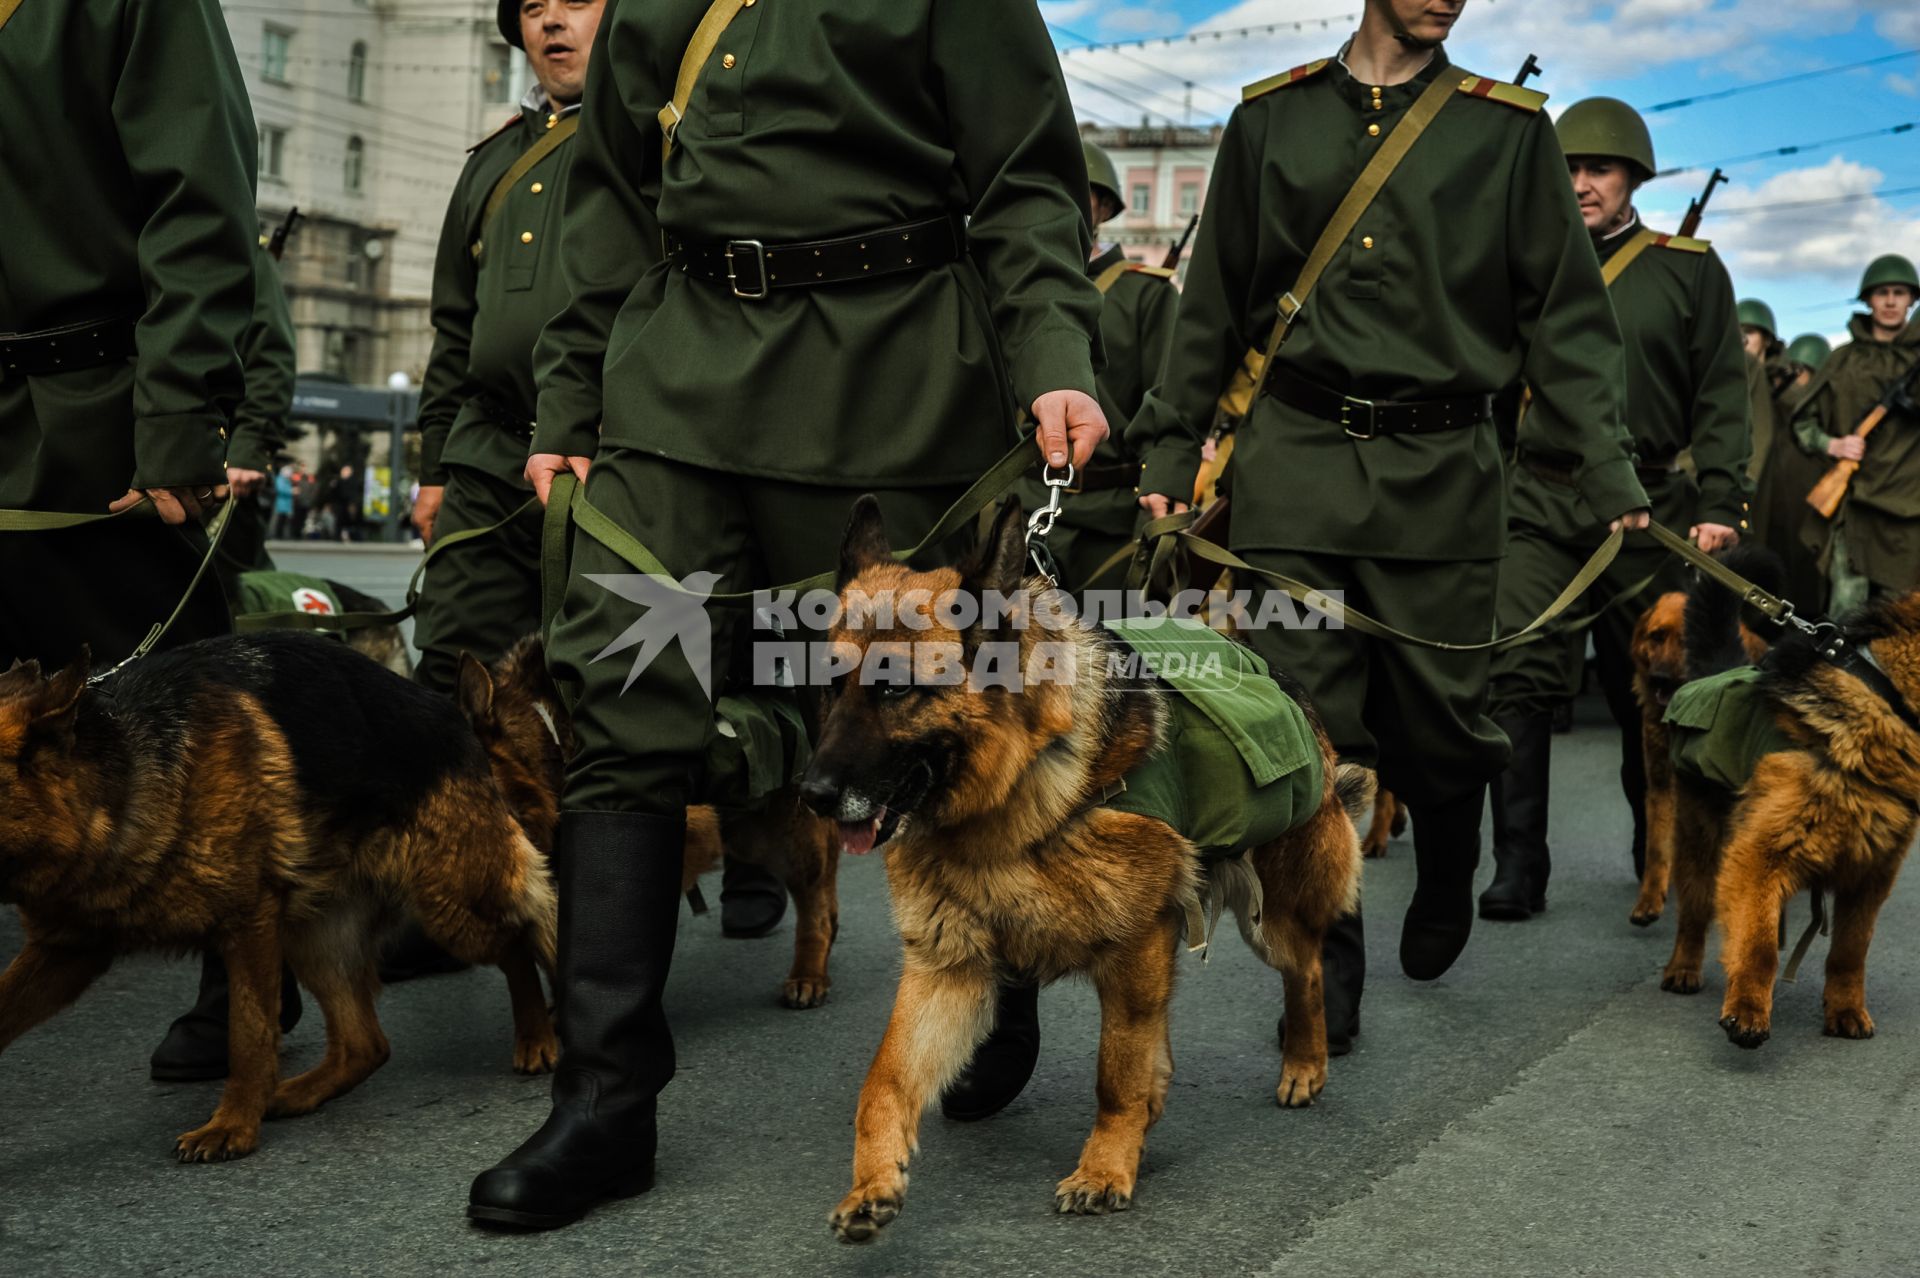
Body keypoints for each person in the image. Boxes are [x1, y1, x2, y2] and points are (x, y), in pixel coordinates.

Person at [464, 0, 1106, 1231]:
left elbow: (1027, 181)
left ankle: (1003, 972)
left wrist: (1057, 356)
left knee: (935, 708)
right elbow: (607, 193)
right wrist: (567, 405)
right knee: (621, 685)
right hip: (678, 376)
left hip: (899, 373)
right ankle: (605, 1104)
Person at [1128, 0, 1648, 1054]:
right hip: (1299, 470)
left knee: (1442, 721)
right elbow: (1214, 300)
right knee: (1309, 726)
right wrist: (1171, 446)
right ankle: (1329, 959)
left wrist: (1605, 465)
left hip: (1445, 475)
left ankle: (1451, 853)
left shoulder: (1506, 133)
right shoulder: (1271, 123)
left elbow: (1567, 315)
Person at [0, 0, 287, 1083]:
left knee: (176, 715)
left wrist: (176, 419)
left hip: (95, 414)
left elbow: (198, 196)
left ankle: (245, 972)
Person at [1482, 96, 1750, 916]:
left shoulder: (1687, 268)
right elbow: (1489, 390)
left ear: (1634, 176)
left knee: (1663, 685)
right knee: (1514, 678)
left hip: (1650, 505)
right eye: (1566, 168)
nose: (1582, 183)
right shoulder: (1519, 267)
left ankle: (1655, 847)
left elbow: (1721, 394)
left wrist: (1720, 499)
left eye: (1598, 168)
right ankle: (1518, 867)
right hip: (1541, 502)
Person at [1012, 140, 1178, 591]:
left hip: (1111, 520)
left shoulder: (1148, 294)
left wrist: (1164, 477)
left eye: (1078, 191)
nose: (1062, 203)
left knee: (1106, 653)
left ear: (1104, 205)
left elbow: (1169, 394)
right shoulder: (1015, 295)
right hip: (1021, 506)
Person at [1794, 253, 1920, 614]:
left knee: (1905, 622)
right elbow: (1803, 425)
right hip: (1855, 509)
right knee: (1847, 617)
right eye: (1883, 293)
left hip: (1912, 513)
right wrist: (1833, 444)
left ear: (1912, 299)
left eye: (1900, 292)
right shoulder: (1843, 360)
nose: (1892, 301)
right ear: (1868, 299)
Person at [216, 240, 299, 597]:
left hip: (216, 467)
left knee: (237, 604)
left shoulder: (244, 245)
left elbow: (269, 356)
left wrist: (249, 448)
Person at [1750, 331, 1832, 612]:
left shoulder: (1820, 418)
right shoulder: (1766, 402)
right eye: (1793, 372)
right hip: (1771, 515)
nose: (1797, 380)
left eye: (1805, 373)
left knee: (1805, 581)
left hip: (1808, 515)